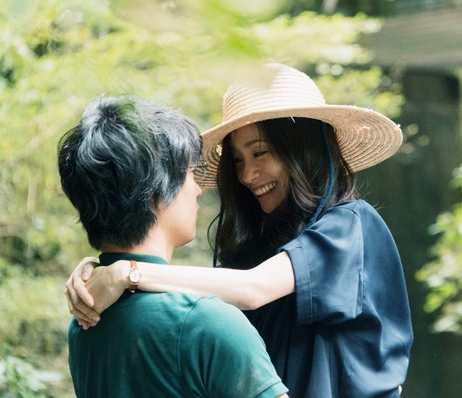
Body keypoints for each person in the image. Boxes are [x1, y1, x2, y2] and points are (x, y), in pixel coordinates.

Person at [65, 64, 413, 397]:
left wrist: (126, 272)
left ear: (303, 148)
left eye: (260, 153)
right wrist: (98, 267)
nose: (247, 175)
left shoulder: (351, 226)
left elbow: (253, 289)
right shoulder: (257, 247)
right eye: (236, 160)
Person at [58, 94, 289, 398]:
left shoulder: (84, 320)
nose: (198, 189)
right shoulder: (207, 324)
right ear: (155, 191)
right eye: (191, 173)